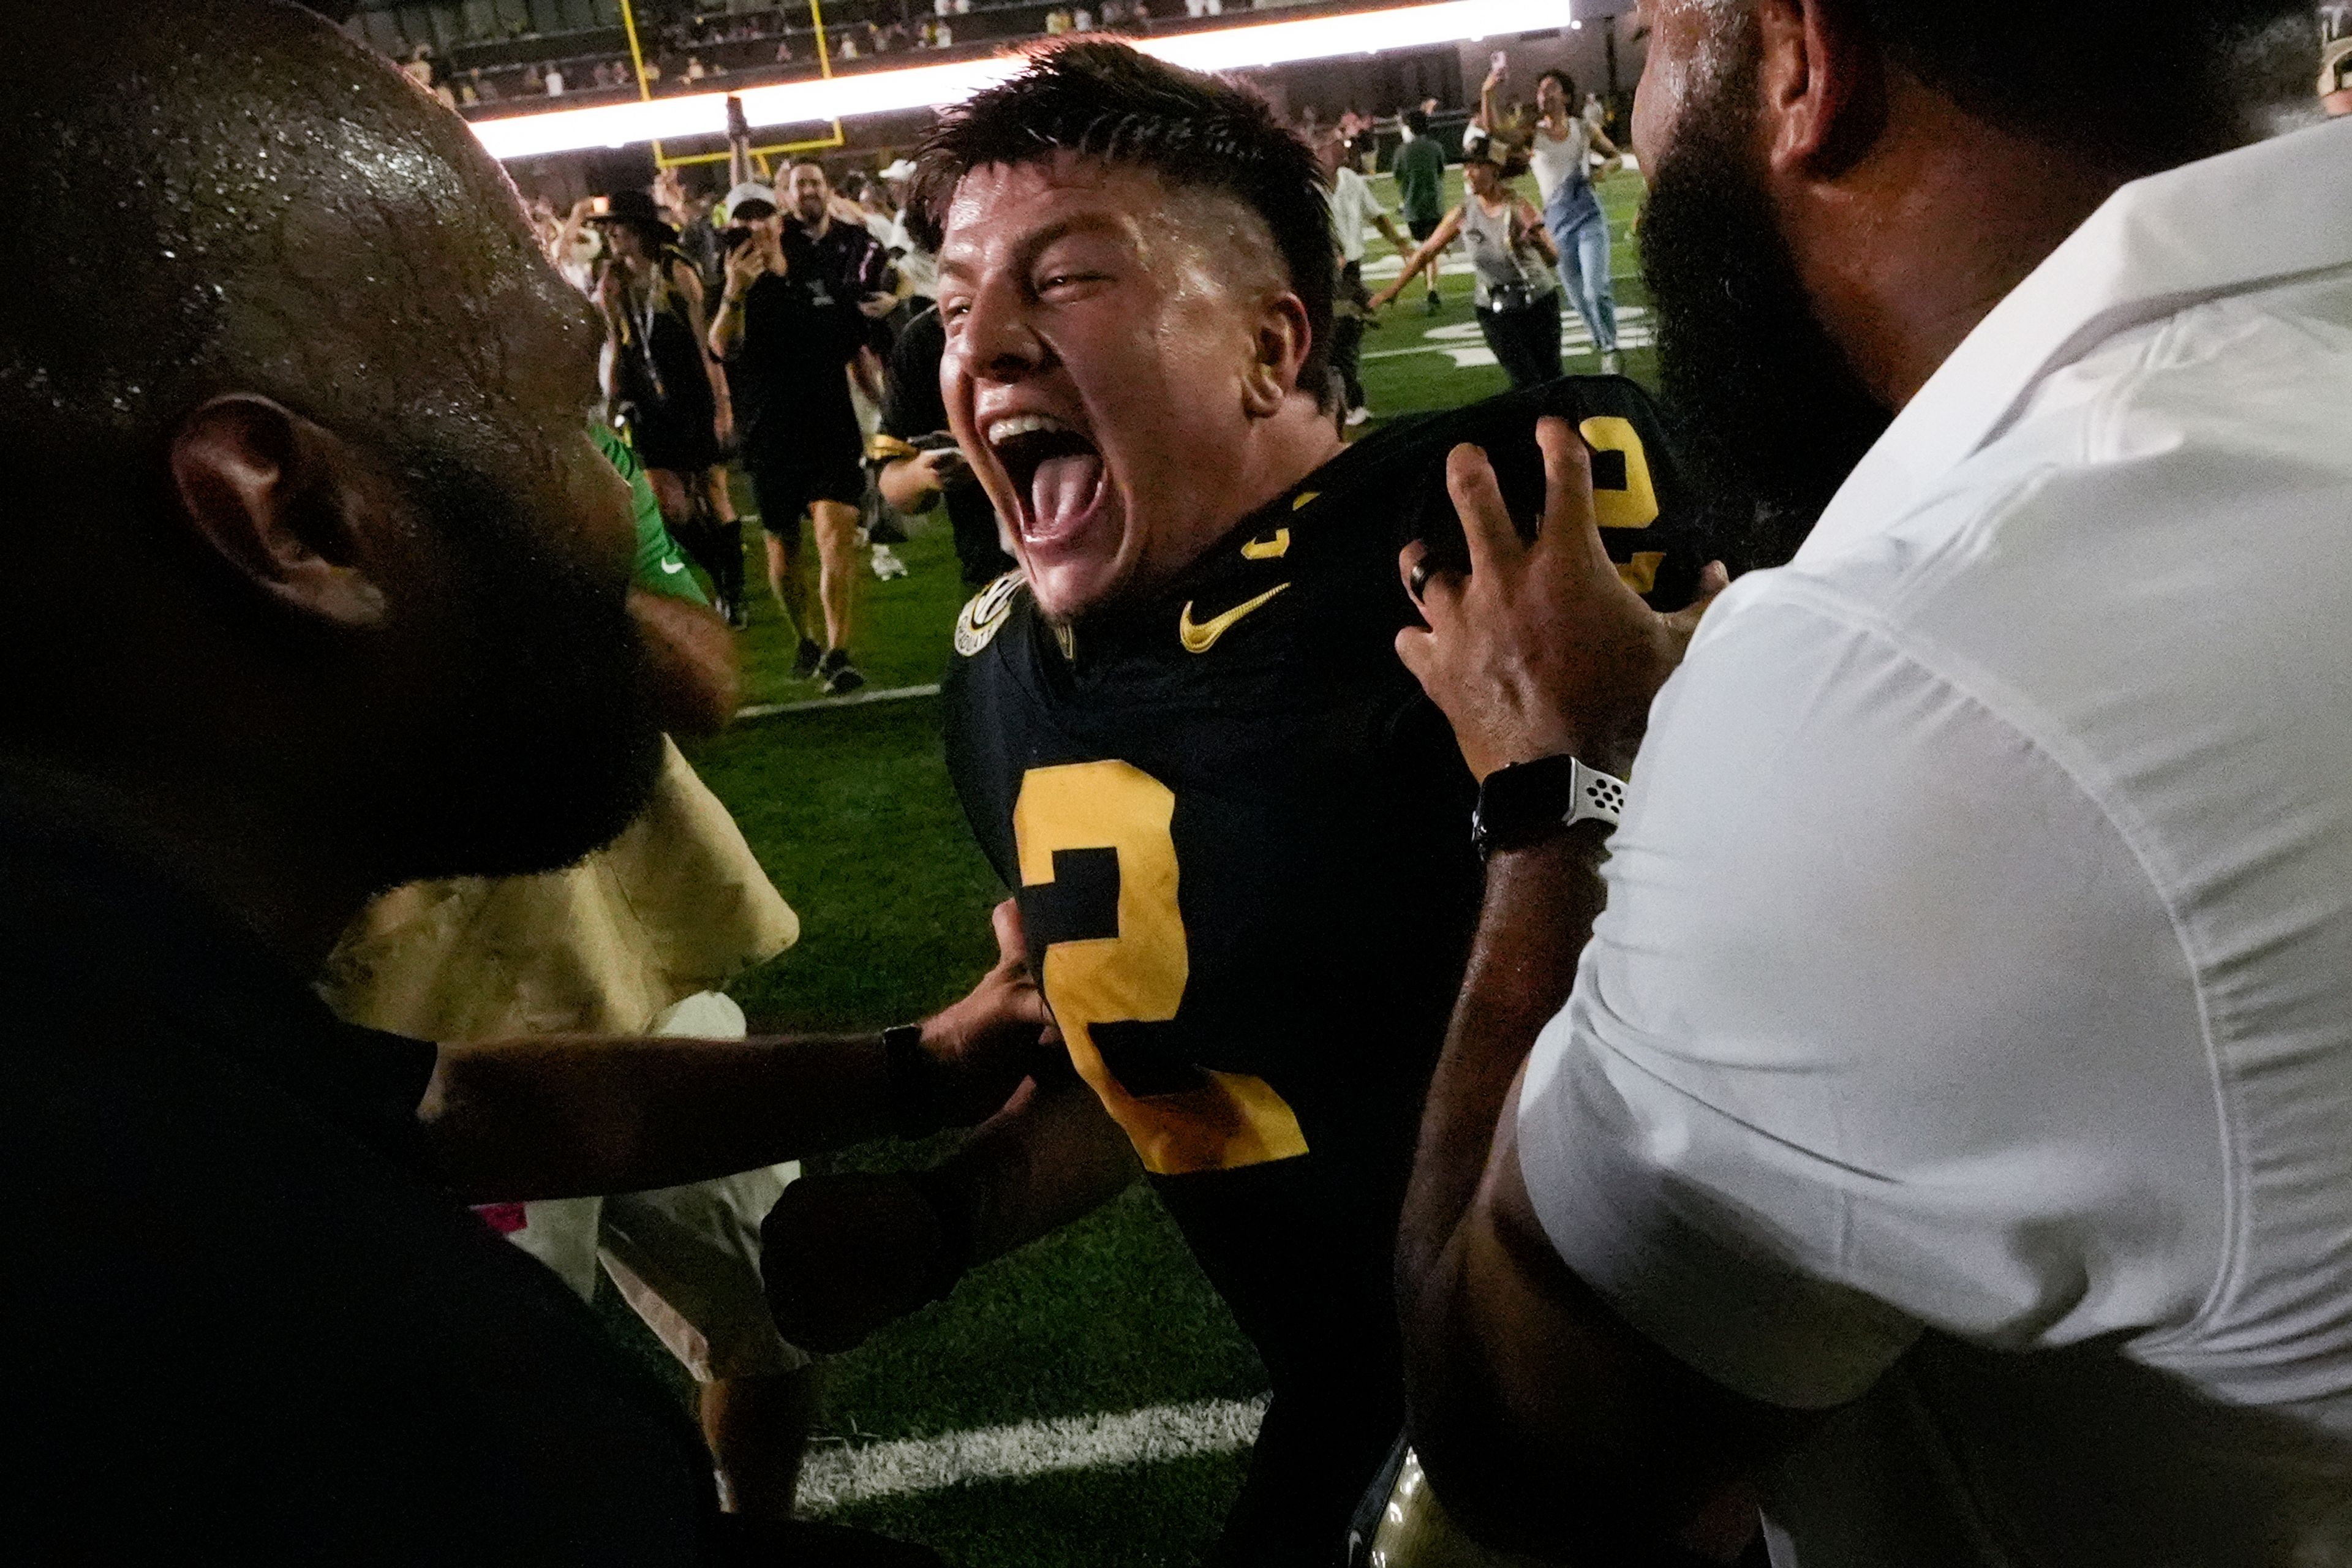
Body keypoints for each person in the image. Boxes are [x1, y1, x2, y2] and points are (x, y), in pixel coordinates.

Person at [4, 4, 1053, 1559]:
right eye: (556, 410)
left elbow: (445, 1103)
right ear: (292, 518)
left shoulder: (111, 997)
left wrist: (917, 1063)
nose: (598, 499)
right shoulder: (310, 1370)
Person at [1388, 2, 2352, 1566]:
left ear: (1798, 63)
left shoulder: (1926, 683)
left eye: (1655, 41)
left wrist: (1544, 788)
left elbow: (1520, 1441)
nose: (1640, 116)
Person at [751, 40, 1719, 1567]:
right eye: (951, 304)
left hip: (1676, 1405)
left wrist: (1571, 779)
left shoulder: (1490, 512)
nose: (980, 346)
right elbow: (1191, 1059)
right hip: (1364, 1390)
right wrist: (949, 1213)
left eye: (1063, 281)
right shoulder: (1000, 679)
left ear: (1272, 345)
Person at [707, 178, 893, 694]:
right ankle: (805, 639)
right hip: (769, 433)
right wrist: (734, 293)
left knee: (835, 532)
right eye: (743, 218)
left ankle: (838, 652)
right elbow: (722, 347)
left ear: (778, 218)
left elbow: (854, 348)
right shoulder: (728, 280)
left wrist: (886, 408)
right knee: (783, 548)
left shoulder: (817, 266)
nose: (754, 226)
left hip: (829, 425)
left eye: (761, 215)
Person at [592, 190, 745, 626]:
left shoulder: (677, 272)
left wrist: (722, 408)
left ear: (639, 230)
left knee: (713, 492)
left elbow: (706, 347)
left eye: (617, 226)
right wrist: (614, 396)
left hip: (691, 393)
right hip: (648, 401)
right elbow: (620, 344)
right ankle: (719, 571)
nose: (611, 233)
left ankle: (733, 594)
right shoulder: (614, 279)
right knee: (670, 505)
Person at [1373, 145, 1564, 390]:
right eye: (1466, 167)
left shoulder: (1519, 207)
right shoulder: (1463, 213)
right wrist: (1393, 290)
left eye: (1476, 166)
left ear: (1494, 170)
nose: (1468, 173)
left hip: (1537, 303)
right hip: (1493, 309)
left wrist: (1539, 245)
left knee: (1552, 377)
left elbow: (1554, 259)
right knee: (1525, 380)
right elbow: (1427, 252)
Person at [1520, 67, 1627, 372]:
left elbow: (1615, 157)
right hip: (1555, 224)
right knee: (1578, 298)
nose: (1545, 94)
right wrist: (1488, 94)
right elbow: (1498, 135)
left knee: (1596, 289)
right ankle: (1601, 341)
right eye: (1541, 90)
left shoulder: (1583, 129)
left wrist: (1603, 171)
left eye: (1552, 88)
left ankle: (1610, 349)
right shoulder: (1533, 135)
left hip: (1588, 217)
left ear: (1566, 96)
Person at [1317, 127, 1411, 426]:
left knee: (1345, 336)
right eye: (1335, 144)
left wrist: (1400, 243)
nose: (1344, 149)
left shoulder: (1352, 181)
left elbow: (1377, 216)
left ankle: (1348, 403)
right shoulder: (1307, 188)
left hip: (1351, 274)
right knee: (1335, 338)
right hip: (1322, 271)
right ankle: (1344, 403)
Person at [1392, 107, 1449, 314]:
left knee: (1421, 249)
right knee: (1432, 251)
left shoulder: (1401, 151)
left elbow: (1398, 176)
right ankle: (1432, 288)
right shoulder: (1435, 147)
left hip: (1413, 208)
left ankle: (1427, 287)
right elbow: (1441, 172)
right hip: (1434, 205)